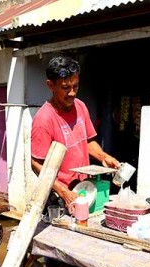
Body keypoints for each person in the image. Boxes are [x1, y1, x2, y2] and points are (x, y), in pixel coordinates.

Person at [31, 56, 120, 214]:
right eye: (65, 88)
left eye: (75, 86)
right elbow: (36, 164)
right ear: (50, 85)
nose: (72, 93)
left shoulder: (80, 106)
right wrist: (64, 193)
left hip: (84, 188)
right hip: (60, 198)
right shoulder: (44, 119)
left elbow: (87, 141)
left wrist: (103, 157)